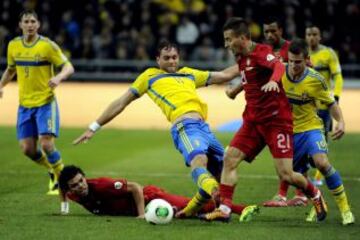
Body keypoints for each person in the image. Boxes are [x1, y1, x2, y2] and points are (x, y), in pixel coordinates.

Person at [72, 40, 249, 219]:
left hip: (205, 129)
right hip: (185, 127)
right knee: (199, 159)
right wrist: (94, 127)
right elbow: (121, 102)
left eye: (174, 57)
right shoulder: (149, 76)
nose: (171, 61)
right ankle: (209, 197)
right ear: (158, 59)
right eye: (166, 58)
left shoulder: (189, 74)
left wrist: (249, 61)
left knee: (224, 168)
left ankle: (209, 210)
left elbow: (225, 75)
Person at [199, 17, 327, 223]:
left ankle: (314, 193)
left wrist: (274, 82)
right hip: (252, 121)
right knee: (229, 159)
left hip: (276, 122)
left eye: (229, 40)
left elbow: (277, 66)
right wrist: (235, 90)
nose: (226, 45)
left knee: (286, 174)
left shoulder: (261, 52)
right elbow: (250, 76)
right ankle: (224, 209)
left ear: (242, 37)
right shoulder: (242, 57)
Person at [0, 10, 74, 195]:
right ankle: (52, 168)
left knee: (47, 144)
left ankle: (62, 179)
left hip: (45, 103)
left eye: (33, 21)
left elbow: (69, 67)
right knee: (27, 149)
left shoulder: (47, 46)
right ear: (21, 25)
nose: (30, 24)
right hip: (24, 105)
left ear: (38, 24)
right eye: (27, 21)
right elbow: (10, 70)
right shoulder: (13, 46)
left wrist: (59, 77)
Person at [281, 39, 354, 225]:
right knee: (297, 177)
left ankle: (346, 210)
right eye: (291, 61)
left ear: (306, 60)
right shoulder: (279, 74)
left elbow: (331, 104)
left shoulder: (316, 80)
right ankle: (318, 203)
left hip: (311, 128)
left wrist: (341, 122)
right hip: (289, 133)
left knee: (322, 163)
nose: (294, 65)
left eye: (298, 62)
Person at [59, 165, 259, 221]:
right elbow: (61, 188)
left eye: (81, 181)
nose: (80, 186)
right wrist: (64, 208)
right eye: (75, 185)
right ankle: (218, 216)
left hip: (150, 198)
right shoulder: (72, 194)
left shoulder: (101, 185)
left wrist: (140, 215)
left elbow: (135, 187)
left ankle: (241, 209)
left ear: (85, 178)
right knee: (185, 216)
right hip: (147, 206)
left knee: (193, 205)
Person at [262, 18, 307, 208]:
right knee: (284, 153)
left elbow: (307, 68)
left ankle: (301, 194)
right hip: (275, 109)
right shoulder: (264, 51)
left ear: (280, 30)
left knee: (296, 152)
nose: (270, 35)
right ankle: (283, 195)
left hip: (295, 108)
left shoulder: (292, 49)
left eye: (273, 31)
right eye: (266, 32)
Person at [305, 25, 344, 186]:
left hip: (324, 107)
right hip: (307, 107)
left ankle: (319, 177)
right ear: (305, 36)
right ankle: (306, 173)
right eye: (309, 34)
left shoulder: (328, 53)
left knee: (321, 144)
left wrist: (335, 97)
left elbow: (338, 76)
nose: (312, 37)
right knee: (304, 142)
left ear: (320, 37)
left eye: (315, 34)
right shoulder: (302, 54)